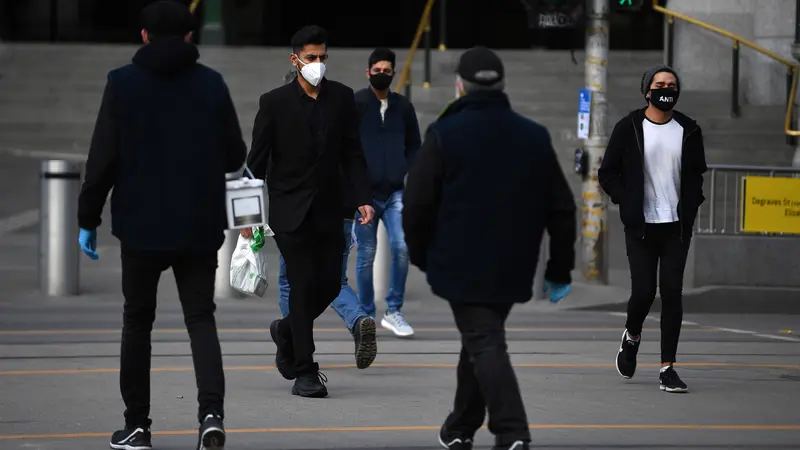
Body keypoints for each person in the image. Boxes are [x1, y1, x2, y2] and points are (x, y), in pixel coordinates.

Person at [76, 2, 245, 449]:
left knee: (137, 323)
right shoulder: (211, 85)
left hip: (141, 228)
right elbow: (234, 155)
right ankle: (211, 414)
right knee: (200, 320)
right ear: (191, 37)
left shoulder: (122, 83)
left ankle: (137, 426)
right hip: (197, 227)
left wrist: (87, 218)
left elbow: (102, 159)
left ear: (145, 36)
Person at [403, 47, 576, 450]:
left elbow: (417, 204)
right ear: (502, 85)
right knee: (481, 337)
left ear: (459, 86)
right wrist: (559, 268)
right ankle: (460, 427)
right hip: (515, 264)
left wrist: (421, 255)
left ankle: (512, 430)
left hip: (459, 265)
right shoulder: (533, 136)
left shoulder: (445, 134)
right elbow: (562, 208)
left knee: (483, 340)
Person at [245, 25, 374, 399]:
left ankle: (286, 331)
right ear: (295, 60)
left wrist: (363, 197)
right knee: (301, 286)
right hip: (289, 212)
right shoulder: (274, 102)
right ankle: (306, 371)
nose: (317, 64)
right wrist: (246, 220)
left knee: (331, 284)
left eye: (322, 57)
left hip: (330, 209)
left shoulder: (342, 98)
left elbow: (352, 152)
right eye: (311, 58)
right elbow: (255, 164)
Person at [599, 64, 707, 394]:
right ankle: (632, 337)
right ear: (647, 90)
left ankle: (667, 368)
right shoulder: (629, 126)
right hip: (641, 225)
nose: (666, 89)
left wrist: (692, 203)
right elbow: (607, 173)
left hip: (676, 226)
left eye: (671, 84)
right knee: (644, 292)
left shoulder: (689, 129)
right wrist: (625, 200)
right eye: (660, 84)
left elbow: (696, 174)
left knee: (672, 292)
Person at [272, 71, 378, 371]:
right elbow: (356, 161)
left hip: (301, 212)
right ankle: (357, 319)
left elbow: (270, 166)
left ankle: (290, 338)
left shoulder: (294, 124)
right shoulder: (341, 123)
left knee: (292, 282)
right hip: (340, 209)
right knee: (333, 280)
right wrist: (362, 200)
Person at [353, 47, 421, 338]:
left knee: (402, 247)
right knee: (366, 256)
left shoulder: (403, 107)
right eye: (377, 70)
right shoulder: (356, 104)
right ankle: (366, 316)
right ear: (368, 72)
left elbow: (415, 147)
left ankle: (393, 311)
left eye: (387, 71)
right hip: (364, 195)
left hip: (395, 193)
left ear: (394, 74)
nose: (382, 75)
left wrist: (410, 175)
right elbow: (346, 149)